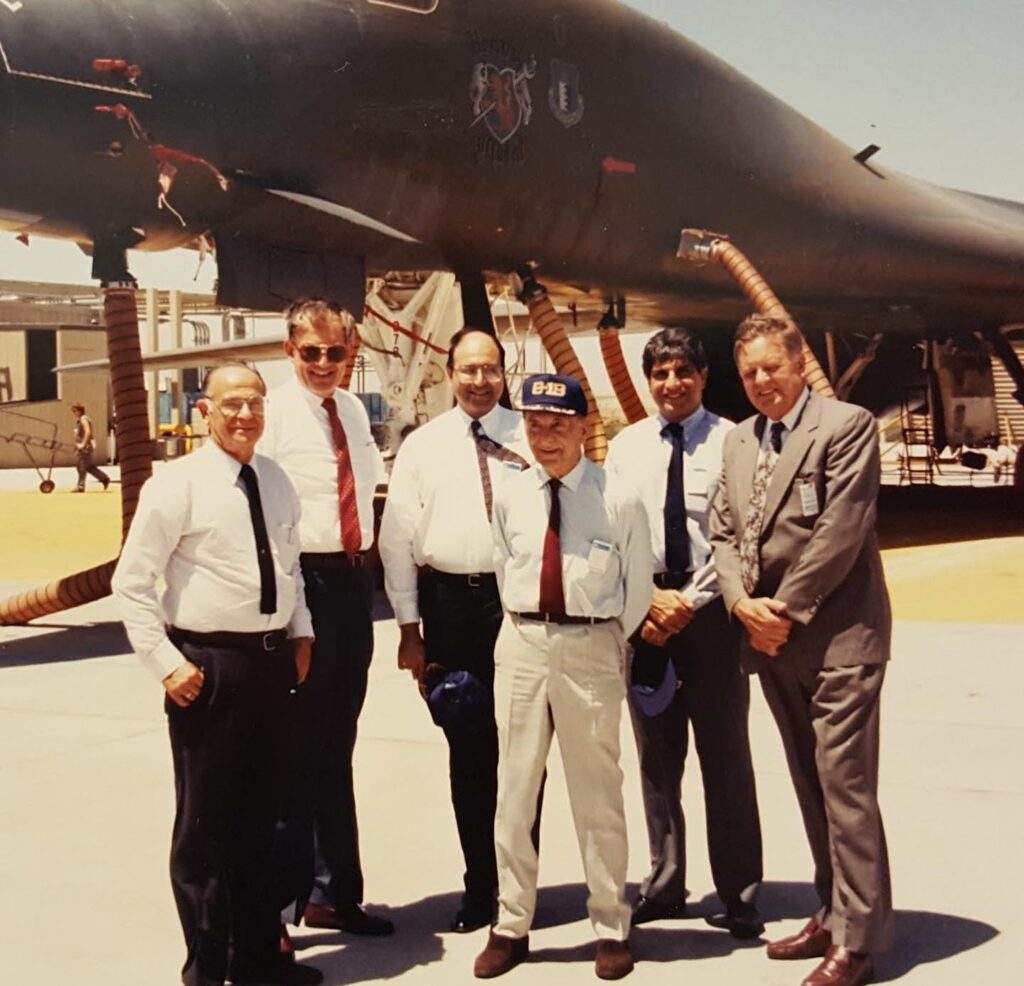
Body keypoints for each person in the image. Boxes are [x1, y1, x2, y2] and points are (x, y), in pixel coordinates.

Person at [111, 363, 322, 986]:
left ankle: (258, 963)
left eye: (255, 402)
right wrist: (166, 665)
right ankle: (207, 969)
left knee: (263, 824)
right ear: (205, 411)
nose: (244, 415)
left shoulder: (277, 480)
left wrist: (301, 629)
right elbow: (131, 582)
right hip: (208, 670)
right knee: (205, 832)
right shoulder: (177, 484)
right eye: (231, 404)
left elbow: (290, 565)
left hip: (269, 664)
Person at [709, 314, 893, 986]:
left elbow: (842, 529)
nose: (761, 382)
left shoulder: (845, 427)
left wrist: (784, 610)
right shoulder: (739, 442)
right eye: (750, 372)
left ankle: (860, 940)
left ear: (798, 364)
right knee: (810, 782)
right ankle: (832, 908)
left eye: (772, 368)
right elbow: (723, 531)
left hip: (840, 637)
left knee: (845, 786)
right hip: (771, 642)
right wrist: (738, 603)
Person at [474, 373, 652, 981]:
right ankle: (511, 923)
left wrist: (600, 638)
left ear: (583, 427)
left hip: (591, 645)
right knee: (514, 790)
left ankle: (610, 923)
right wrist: (531, 626)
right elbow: (504, 568)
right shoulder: (510, 494)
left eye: (558, 425)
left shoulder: (618, 496)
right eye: (534, 424)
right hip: (522, 641)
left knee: (597, 792)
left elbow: (637, 590)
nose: (545, 437)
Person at [604, 328, 763, 937]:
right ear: (649, 382)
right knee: (657, 759)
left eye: (682, 372)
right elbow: (615, 533)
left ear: (702, 377)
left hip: (713, 618)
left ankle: (740, 891)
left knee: (726, 756)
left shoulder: (733, 441)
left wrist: (689, 602)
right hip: (646, 621)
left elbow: (740, 538)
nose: (672, 384)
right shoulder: (626, 446)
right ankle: (665, 884)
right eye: (661, 374)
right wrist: (646, 605)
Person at [378, 326, 533, 934]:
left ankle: (520, 888)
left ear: (504, 373)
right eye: (467, 369)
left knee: (524, 755)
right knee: (469, 752)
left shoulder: (530, 435)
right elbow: (396, 544)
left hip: (516, 605)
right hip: (450, 610)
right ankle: (481, 888)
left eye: (490, 369)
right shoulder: (423, 446)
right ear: (450, 374)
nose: (478, 380)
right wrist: (410, 629)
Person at [258, 299, 393, 942]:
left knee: (337, 743)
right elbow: (268, 520)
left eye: (334, 352)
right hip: (301, 584)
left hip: (348, 585)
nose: (322, 364)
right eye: (309, 352)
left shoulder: (354, 412)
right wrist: (296, 619)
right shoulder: (275, 416)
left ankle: (332, 893)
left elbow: (368, 496)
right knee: (292, 752)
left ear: (350, 351)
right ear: (290, 351)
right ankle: (274, 912)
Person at [70, 402, 110, 492]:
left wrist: (83, 444)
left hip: (85, 447)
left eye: (75, 411)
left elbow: (88, 432)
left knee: (81, 466)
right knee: (88, 467)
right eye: (73, 411)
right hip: (83, 447)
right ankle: (104, 478)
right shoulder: (81, 419)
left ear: (80, 411)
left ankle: (81, 486)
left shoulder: (83, 419)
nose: (73, 413)